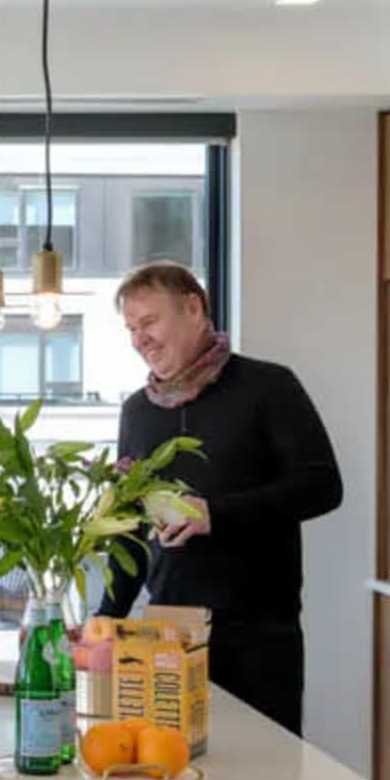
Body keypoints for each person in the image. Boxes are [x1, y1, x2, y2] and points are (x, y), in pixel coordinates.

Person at [92, 261, 343, 736]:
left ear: (194, 308)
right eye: (130, 328)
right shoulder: (138, 411)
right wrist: (106, 619)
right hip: (166, 629)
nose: (138, 339)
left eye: (148, 323)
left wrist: (217, 515)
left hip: (259, 633)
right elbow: (128, 525)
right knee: (166, 773)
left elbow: (323, 486)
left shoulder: (268, 386)